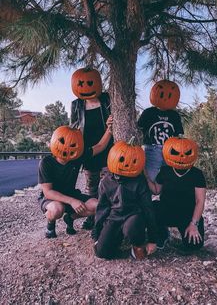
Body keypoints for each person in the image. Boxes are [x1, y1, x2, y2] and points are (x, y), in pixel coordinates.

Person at [38, 124, 112, 239]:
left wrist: (109, 129)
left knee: (97, 205)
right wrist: (72, 201)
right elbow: (48, 192)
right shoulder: (46, 162)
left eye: (72, 145)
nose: (67, 148)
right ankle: (50, 223)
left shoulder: (76, 157)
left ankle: (70, 218)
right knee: (57, 209)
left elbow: (100, 146)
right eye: (62, 141)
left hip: (71, 194)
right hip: (51, 199)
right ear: (54, 141)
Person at [92, 140, 157, 260]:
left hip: (133, 216)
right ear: (113, 158)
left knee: (132, 226)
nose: (127, 164)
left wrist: (153, 239)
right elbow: (101, 209)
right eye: (121, 160)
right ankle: (117, 243)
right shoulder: (106, 181)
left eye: (133, 162)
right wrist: (96, 236)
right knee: (101, 253)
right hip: (114, 217)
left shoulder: (139, 181)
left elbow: (148, 209)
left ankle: (137, 245)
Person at [70, 67, 113, 229]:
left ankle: (104, 216)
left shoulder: (107, 100)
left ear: (99, 83)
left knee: (106, 185)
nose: (86, 87)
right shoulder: (76, 105)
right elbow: (73, 128)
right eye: (81, 83)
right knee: (91, 186)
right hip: (89, 151)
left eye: (90, 83)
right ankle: (92, 215)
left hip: (108, 148)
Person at [151, 136, 206, 251]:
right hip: (167, 211)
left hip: (187, 215)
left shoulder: (197, 174)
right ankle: (162, 234)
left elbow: (200, 201)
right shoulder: (165, 171)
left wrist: (193, 224)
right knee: (152, 207)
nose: (181, 157)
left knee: (194, 246)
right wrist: (145, 175)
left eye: (187, 153)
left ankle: (188, 229)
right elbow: (156, 191)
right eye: (175, 152)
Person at [137, 80, 184, 193]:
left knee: (169, 177)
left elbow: (179, 135)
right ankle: (147, 201)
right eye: (162, 94)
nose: (165, 98)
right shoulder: (148, 113)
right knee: (150, 177)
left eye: (170, 95)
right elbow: (138, 129)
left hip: (170, 151)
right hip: (152, 149)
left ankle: (165, 201)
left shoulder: (174, 115)